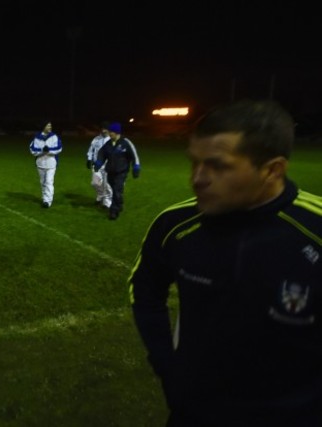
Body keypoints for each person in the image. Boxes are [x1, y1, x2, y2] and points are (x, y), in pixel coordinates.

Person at [129, 99, 322, 427]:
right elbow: (144, 289)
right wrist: (166, 364)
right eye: (195, 163)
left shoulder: (314, 230)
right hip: (195, 412)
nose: (197, 178)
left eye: (218, 166)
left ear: (272, 169)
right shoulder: (175, 226)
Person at [93, 122, 140, 219]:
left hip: (121, 172)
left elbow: (134, 155)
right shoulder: (108, 144)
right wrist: (98, 163)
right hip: (110, 171)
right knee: (115, 190)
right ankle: (119, 204)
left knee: (117, 190)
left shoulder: (126, 143)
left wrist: (136, 167)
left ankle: (113, 211)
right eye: (110, 132)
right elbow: (102, 154)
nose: (110, 134)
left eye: (112, 132)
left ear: (117, 133)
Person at [29, 120, 63, 208]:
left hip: (51, 163)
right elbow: (32, 149)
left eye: (50, 126)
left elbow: (59, 148)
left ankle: (48, 201)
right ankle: (45, 199)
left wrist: (49, 150)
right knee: (42, 182)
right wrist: (41, 151)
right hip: (40, 163)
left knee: (49, 182)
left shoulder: (54, 137)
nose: (50, 127)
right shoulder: (37, 137)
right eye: (48, 126)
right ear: (43, 127)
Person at [86, 121, 113, 209]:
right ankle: (101, 194)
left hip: (108, 165)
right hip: (97, 165)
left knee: (108, 186)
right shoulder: (96, 139)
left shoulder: (112, 140)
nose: (103, 131)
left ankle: (107, 203)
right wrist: (89, 159)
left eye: (105, 129)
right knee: (95, 183)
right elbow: (91, 150)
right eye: (102, 129)